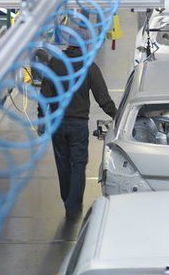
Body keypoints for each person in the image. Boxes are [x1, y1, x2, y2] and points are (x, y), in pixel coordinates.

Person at [38, 44, 117, 219]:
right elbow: (102, 97)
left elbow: (44, 94)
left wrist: (41, 118)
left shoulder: (54, 64)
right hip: (79, 124)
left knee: (63, 163)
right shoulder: (88, 65)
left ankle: (67, 197)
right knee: (79, 164)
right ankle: (73, 206)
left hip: (58, 122)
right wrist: (117, 115)